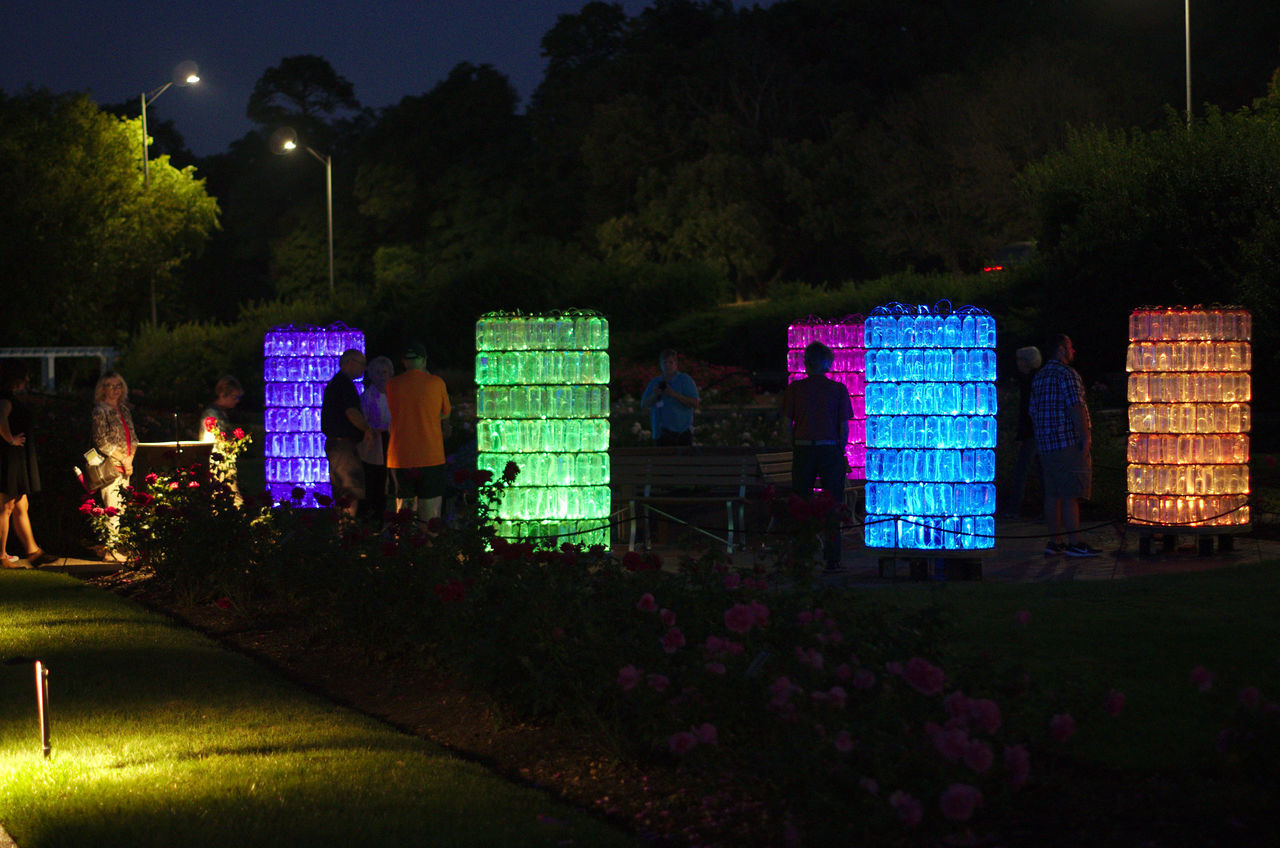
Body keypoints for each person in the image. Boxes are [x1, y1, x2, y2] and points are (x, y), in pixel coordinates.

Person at [780, 341, 853, 573]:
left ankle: (803, 556)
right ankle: (832, 558)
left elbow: (785, 422)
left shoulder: (795, 389)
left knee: (801, 502)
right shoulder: (838, 389)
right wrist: (839, 450)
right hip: (829, 448)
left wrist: (794, 442)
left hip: (803, 448)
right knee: (833, 502)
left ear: (806, 362)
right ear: (828, 363)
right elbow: (844, 426)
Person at [1029, 334, 1100, 557]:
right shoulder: (1067, 374)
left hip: (1046, 446)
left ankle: (1055, 541)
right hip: (1067, 443)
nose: (1073, 351)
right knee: (1071, 494)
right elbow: (1076, 406)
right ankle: (1075, 542)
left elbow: (1032, 411)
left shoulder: (1039, 376)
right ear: (1061, 349)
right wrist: (1085, 436)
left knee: (1052, 495)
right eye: (1070, 346)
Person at [385, 341, 451, 526]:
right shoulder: (436, 383)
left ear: (404, 361)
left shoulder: (392, 385)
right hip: (431, 455)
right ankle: (429, 547)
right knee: (430, 511)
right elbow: (445, 412)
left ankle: (404, 548)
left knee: (403, 511)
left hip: (400, 457)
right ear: (424, 360)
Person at [1, 360, 54, 568]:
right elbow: (0, 418)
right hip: (8, 459)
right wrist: (10, 439)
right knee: (6, 506)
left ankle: (33, 552)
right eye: (25, 376)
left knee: (21, 505)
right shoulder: (5, 399)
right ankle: (1, 557)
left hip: (15, 458)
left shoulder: (8, 398)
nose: (28, 380)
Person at [321, 349, 375, 519]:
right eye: (362, 364)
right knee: (350, 489)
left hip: (337, 445)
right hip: (344, 446)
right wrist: (367, 429)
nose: (364, 369)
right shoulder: (344, 385)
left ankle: (343, 528)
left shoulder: (336, 384)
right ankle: (346, 530)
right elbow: (351, 412)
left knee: (342, 489)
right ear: (350, 362)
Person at [91, 371, 137, 561]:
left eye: (118, 385)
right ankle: (110, 550)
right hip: (111, 467)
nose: (115, 389)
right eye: (111, 385)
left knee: (122, 508)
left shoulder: (124, 410)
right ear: (103, 389)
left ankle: (116, 547)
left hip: (126, 465)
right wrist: (123, 459)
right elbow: (101, 441)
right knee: (113, 508)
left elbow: (133, 438)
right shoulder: (100, 411)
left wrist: (130, 459)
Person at [1001, 346, 1042, 518]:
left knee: (1021, 472)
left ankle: (1014, 509)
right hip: (1037, 432)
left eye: (1020, 360)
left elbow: (1026, 411)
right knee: (1041, 472)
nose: (1017, 363)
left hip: (1031, 433)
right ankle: (1045, 511)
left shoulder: (1030, 382)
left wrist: (1021, 434)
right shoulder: (1033, 380)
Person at [357, 355, 394, 523]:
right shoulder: (366, 397)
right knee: (374, 483)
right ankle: (372, 520)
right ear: (371, 374)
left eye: (385, 372)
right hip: (374, 446)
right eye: (378, 372)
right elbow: (362, 421)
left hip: (392, 443)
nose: (382, 376)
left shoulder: (394, 395)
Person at [639, 349, 700, 446]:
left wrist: (674, 394)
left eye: (670, 362)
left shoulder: (685, 380)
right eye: (665, 362)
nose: (667, 365)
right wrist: (655, 395)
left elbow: (695, 403)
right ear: (661, 364)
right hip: (661, 433)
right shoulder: (655, 382)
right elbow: (643, 404)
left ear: (676, 364)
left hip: (682, 432)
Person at [198, 375, 243, 442]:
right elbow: (212, 441)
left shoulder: (222, 412)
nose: (237, 401)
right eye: (234, 397)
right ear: (222, 394)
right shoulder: (211, 414)